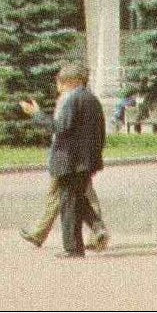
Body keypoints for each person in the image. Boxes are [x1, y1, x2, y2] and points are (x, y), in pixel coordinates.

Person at [20, 62, 105, 259]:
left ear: (73, 82)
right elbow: (100, 132)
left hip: (70, 161)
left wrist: (36, 115)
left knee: (69, 203)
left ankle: (73, 249)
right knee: (76, 199)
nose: (61, 85)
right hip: (86, 160)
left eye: (63, 82)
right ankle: (95, 228)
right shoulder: (92, 99)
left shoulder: (73, 99)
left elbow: (60, 127)